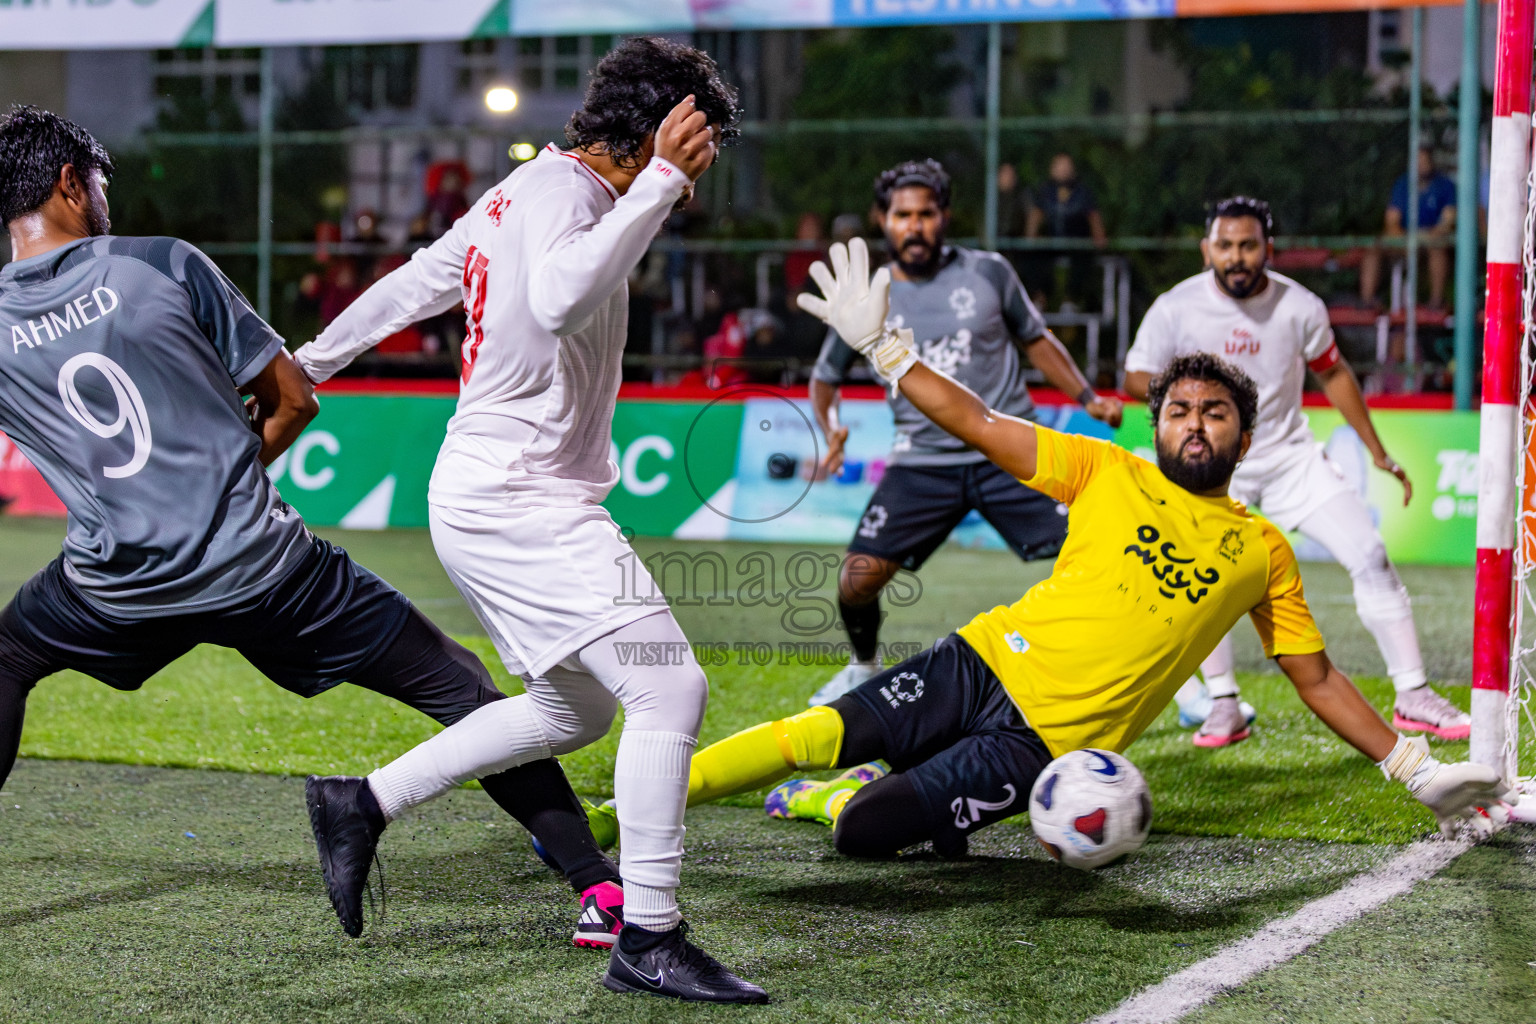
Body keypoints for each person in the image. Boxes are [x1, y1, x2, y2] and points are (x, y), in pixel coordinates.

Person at [0, 105, 623, 946]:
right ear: (72, 184)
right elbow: (294, 398)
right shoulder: (162, 264)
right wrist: (219, 479)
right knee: (460, 688)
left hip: (114, 587)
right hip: (264, 571)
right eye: (100, 185)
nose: (107, 201)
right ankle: (597, 888)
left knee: (9, 654)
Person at [684, 239, 1510, 857]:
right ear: (1160, 426)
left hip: (1044, 746)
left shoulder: (1263, 551)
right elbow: (978, 422)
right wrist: (886, 351)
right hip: (978, 659)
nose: (1194, 422)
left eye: (1215, 412)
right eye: (1179, 409)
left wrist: (1414, 770)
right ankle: (629, 807)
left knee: (863, 835)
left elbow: (1317, 679)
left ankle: (833, 800)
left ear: (1245, 436)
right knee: (814, 730)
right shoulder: (1101, 468)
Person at [287, 39, 766, 1004]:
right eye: (700, 143)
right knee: (671, 692)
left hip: (497, 491)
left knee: (575, 709)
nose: (705, 167)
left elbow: (420, 279)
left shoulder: (531, 194)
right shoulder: (574, 198)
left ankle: (361, 803)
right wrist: (661, 182)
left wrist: (314, 360)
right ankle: (652, 936)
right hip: (515, 495)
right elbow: (554, 299)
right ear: (664, 130)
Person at [1124, 196, 1468, 747]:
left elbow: (1334, 374)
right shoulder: (1175, 307)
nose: (1236, 257)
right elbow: (1135, 377)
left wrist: (1377, 452)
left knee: (1370, 554)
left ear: (1268, 248)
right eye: (1226, 246)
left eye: (1248, 246)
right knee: (1199, 583)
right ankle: (1224, 704)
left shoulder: (1299, 305)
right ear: (1207, 248)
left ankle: (1414, 695)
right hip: (1210, 465)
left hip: (1289, 458)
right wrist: (1194, 391)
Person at [807, 158, 1122, 707]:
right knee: (856, 581)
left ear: (944, 216)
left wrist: (1087, 397)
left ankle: (1171, 675)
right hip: (921, 460)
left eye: (926, 213)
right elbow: (824, 378)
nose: (915, 225)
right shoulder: (866, 300)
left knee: (1097, 552)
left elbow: (1038, 340)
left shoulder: (989, 272)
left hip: (1009, 449)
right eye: (903, 214)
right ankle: (861, 667)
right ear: (884, 220)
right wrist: (829, 429)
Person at [1359, 146, 1457, 311]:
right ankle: (1366, 303)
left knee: (1438, 248)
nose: (1421, 164)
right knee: (1373, 248)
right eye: (1418, 160)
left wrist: (1426, 236)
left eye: (1425, 160)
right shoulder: (1403, 184)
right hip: (1405, 240)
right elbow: (1391, 222)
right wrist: (1408, 237)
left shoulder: (1445, 186)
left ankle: (1436, 302)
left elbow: (1447, 223)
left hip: (1431, 242)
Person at [1024, 152, 1107, 312]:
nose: (1063, 170)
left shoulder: (1083, 191)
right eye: (1059, 166)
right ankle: (1039, 297)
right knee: (1032, 254)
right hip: (1052, 240)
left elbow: (1093, 216)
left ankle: (1071, 299)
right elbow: (1036, 214)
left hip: (1076, 241)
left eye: (1066, 166)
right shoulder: (1045, 190)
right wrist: (1030, 237)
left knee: (1083, 255)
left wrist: (1099, 236)